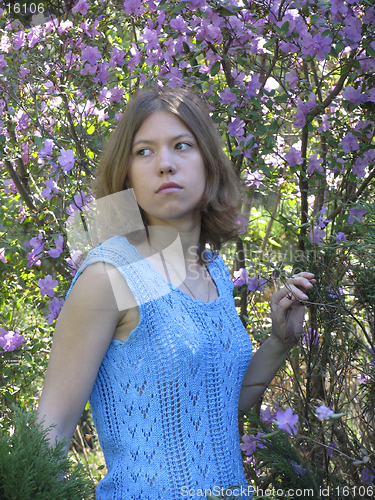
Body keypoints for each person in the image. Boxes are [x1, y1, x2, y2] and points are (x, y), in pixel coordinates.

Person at [37, 86, 315, 500]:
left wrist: (279, 342)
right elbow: (51, 432)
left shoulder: (214, 272)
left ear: (207, 163)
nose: (164, 164)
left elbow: (217, 409)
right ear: (126, 175)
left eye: (181, 146)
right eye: (144, 151)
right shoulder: (109, 274)